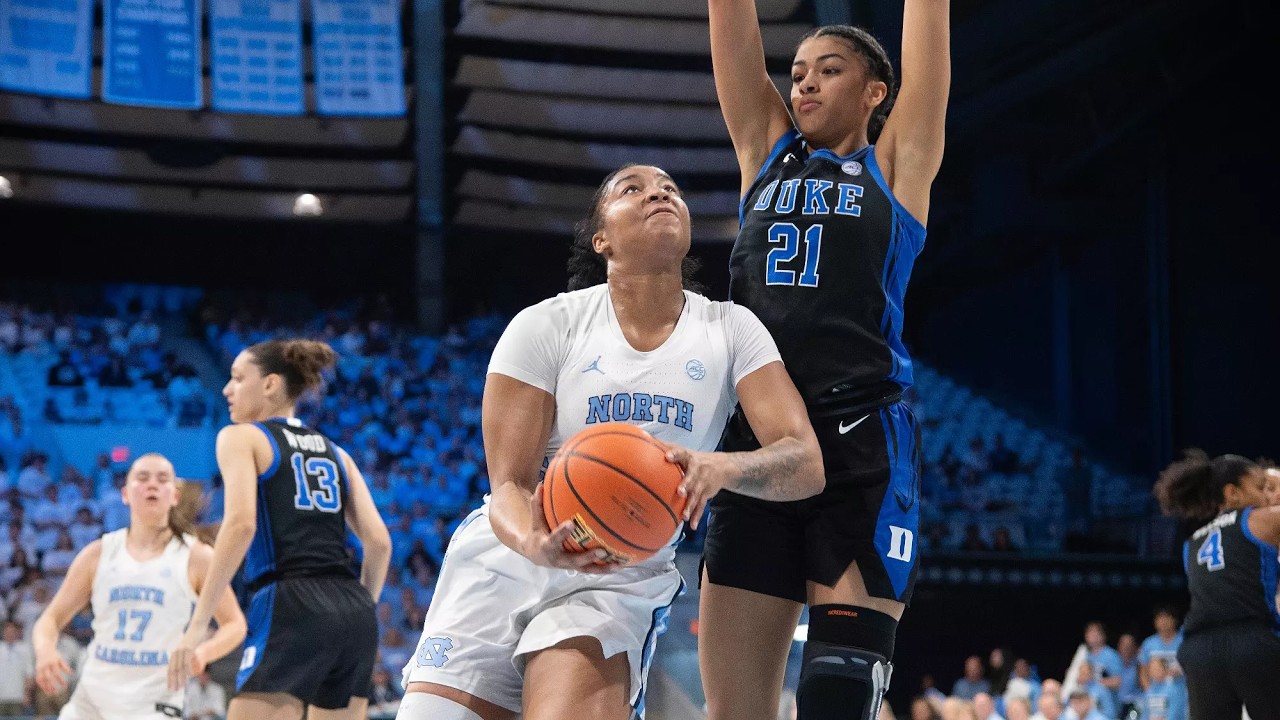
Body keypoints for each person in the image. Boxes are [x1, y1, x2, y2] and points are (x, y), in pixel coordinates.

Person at [396, 164, 825, 720]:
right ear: (602, 239)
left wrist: (722, 469)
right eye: (634, 189)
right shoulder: (547, 324)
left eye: (671, 188)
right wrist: (534, 544)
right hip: (510, 555)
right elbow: (507, 484)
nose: (659, 194)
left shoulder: (731, 328)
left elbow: (805, 462)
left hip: (617, 572)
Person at [701, 0, 950, 717]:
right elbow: (733, 28)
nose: (804, 85)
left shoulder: (897, 164)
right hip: (758, 449)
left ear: (876, 91)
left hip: (859, 447)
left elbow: (929, 32)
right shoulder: (765, 154)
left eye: (829, 71)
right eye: (799, 73)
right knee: (735, 710)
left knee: (838, 694)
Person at [168, 339, 393, 720]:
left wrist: (197, 627)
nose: (227, 389)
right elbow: (380, 543)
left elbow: (240, 525)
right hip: (353, 612)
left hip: (291, 602)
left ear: (270, 384)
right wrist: (362, 610)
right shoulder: (338, 453)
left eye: (238, 378)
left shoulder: (242, 436)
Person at [30, 453, 246, 720]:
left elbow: (235, 624)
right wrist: (45, 650)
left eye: (162, 479)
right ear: (125, 494)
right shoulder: (98, 554)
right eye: (142, 478)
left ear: (175, 496)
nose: (152, 484)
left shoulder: (196, 556)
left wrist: (202, 653)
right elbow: (50, 619)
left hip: (155, 699)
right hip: (93, 698)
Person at [1153, 449, 1280, 719]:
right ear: (1232, 493)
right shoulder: (1260, 519)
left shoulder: (1192, 543)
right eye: (1261, 487)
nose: (1267, 496)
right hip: (1250, 642)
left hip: (1198, 651)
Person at [1137, 607, 1183, 690]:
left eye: (1166, 618)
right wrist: (1149, 691)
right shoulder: (1148, 643)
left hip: (1180, 691)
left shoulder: (1183, 642)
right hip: (1156, 693)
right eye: (1160, 618)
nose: (1163, 622)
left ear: (1175, 620)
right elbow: (1143, 671)